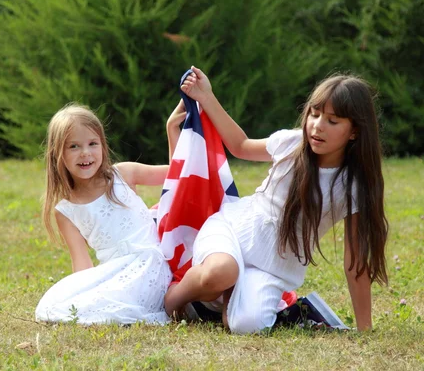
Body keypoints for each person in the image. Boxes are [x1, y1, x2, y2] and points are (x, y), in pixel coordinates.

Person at [164, 66, 388, 333]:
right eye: (314, 114)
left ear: (354, 131)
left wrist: (365, 329)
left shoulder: (352, 187)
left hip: (273, 267)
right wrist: (207, 97)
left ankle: (231, 297)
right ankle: (172, 301)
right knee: (220, 271)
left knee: (248, 326)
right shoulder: (291, 145)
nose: (317, 126)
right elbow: (241, 146)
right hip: (234, 232)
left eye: (333, 120)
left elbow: (356, 263)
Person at [35, 103, 183, 325]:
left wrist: (172, 128)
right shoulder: (66, 210)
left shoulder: (122, 174)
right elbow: (82, 266)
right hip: (115, 272)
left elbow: (178, 173)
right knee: (55, 304)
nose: (85, 153)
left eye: (92, 144)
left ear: (103, 146)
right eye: (74, 146)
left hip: (151, 264)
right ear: (58, 154)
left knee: (113, 303)